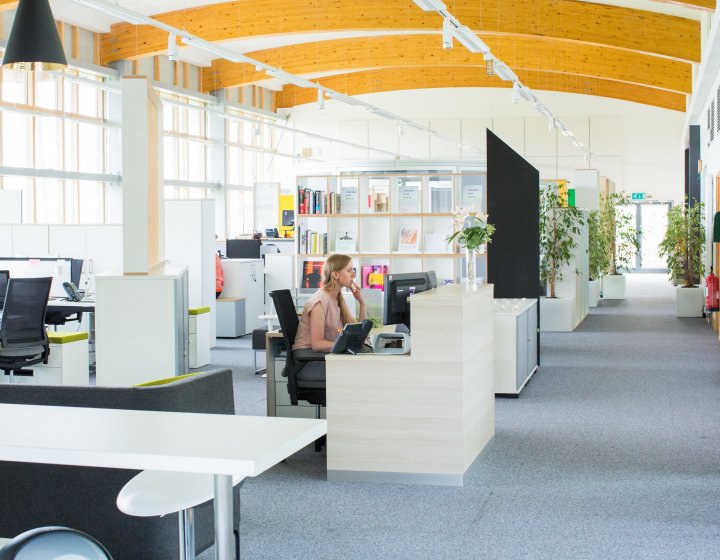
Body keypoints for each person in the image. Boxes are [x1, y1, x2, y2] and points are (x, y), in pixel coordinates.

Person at [293, 254, 366, 354]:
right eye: (349, 271)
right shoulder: (319, 301)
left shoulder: (337, 297)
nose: (353, 275)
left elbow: (360, 333)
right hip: (308, 357)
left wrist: (362, 303)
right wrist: (347, 344)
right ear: (335, 275)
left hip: (327, 353)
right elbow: (317, 344)